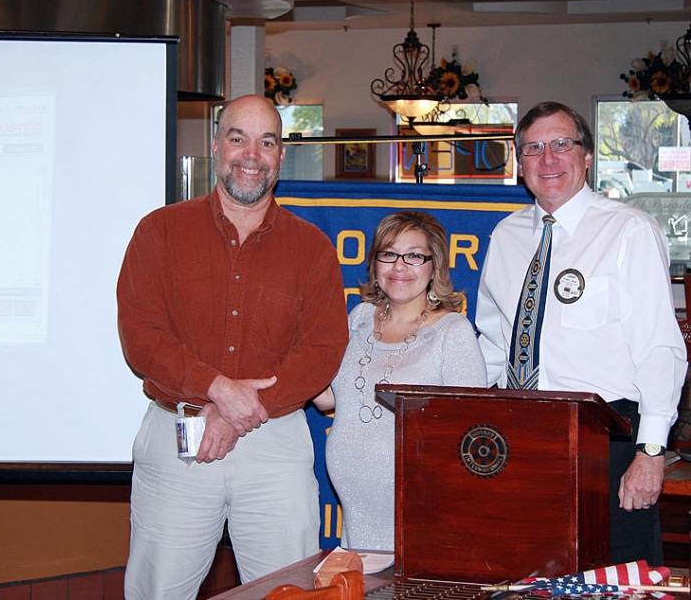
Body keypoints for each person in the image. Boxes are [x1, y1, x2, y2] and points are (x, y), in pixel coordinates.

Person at [116, 94, 349, 600]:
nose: (251, 154)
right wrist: (218, 389)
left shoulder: (311, 248)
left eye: (266, 142)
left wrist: (240, 410)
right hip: (177, 438)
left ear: (281, 156)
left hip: (276, 445)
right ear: (216, 146)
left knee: (289, 593)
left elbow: (323, 349)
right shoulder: (159, 231)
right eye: (238, 138)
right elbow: (142, 336)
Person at [475, 101, 687, 565]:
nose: (547, 159)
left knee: (614, 577)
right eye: (533, 148)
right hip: (525, 438)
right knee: (530, 572)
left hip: (606, 440)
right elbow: (494, 344)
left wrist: (650, 452)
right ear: (519, 163)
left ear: (586, 156)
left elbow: (660, 348)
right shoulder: (505, 236)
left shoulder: (629, 231)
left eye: (561, 144)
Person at [313, 210, 487, 551]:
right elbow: (326, 399)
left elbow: (470, 433)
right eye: (388, 254)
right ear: (375, 264)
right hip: (356, 515)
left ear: (434, 265)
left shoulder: (453, 332)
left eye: (414, 256)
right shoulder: (359, 318)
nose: (399, 267)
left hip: (423, 515)